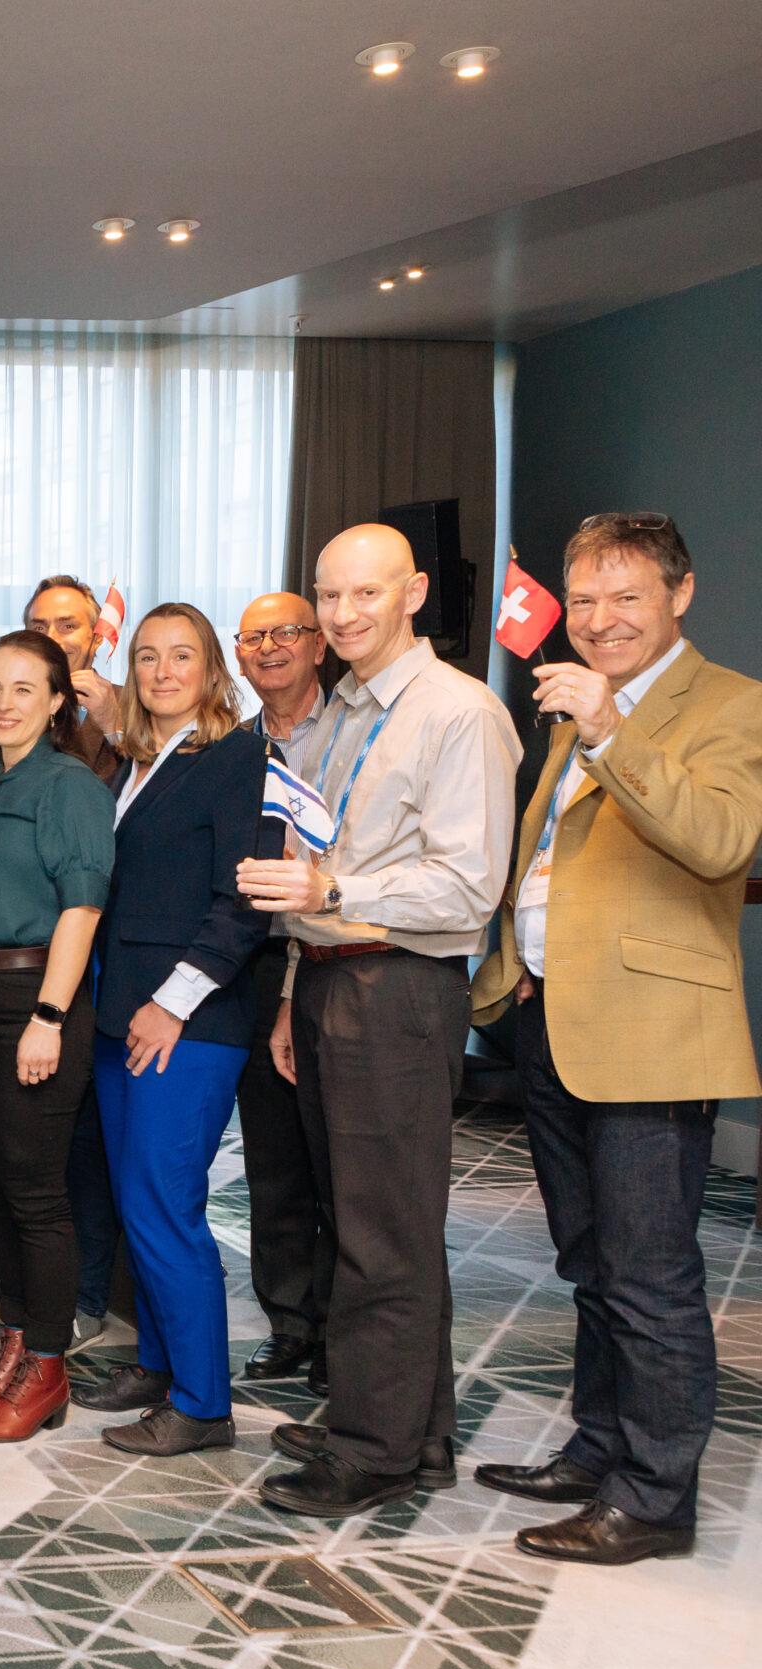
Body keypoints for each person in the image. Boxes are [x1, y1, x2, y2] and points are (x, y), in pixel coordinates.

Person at [468, 513, 762, 1566]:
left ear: (680, 594)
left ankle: (654, 1497)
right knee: (591, 1262)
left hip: (651, 1030)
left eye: (626, 597)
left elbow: (721, 838)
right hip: (554, 1016)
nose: (600, 620)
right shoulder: (577, 711)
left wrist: (608, 730)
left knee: (649, 1275)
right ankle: (600, 1448)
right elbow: (550, 859)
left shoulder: (730, 704)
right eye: (584, 599)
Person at [239, 523, 518, 1518]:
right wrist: (291, 986)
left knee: (380, 1235)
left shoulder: (458, 711)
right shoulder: (345, 713)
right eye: (329, 594)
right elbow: (317, 861)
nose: (344, 613)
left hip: (398, 988)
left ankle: (373, 1451)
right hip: (327, 981)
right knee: (370, 1220)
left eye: (366, 593)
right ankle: (413, 1428)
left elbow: (468, 885)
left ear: (414, 592)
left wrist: (334, 892)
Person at [75, 607, 274, 1456]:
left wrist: (174, 1001)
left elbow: (243, 898)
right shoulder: (134, 763)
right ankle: (159, 1365)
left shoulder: (239, 758)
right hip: (120, 1015)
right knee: (137, 1204)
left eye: (181, 655)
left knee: (166, 1208)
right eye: (148, 655)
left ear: (212, 671)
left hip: (186, 1022)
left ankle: (202, 1403)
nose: (162, 670)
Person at [0, 631, 110, 1440]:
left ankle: (47, 1364)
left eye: (25, 688)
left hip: (30, 1002)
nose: (4, 703)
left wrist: (49, 1015)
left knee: (36, 1196)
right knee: (1, 1192)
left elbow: (82, 908)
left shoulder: (68, 785)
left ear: (58, 700)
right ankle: (16, 1345)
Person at [228, 592, 335, 1387]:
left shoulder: (351, 734)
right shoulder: (234, 751)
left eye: (285, 632)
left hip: (336, 960)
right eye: (252, 637)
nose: (268, 647)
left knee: (342, 1161)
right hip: (255, 962)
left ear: (319, 645)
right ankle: (291, 1322)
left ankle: (344, 1332)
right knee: (272, 1159)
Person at [20, 574, 125, 1357]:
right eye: (38, 624)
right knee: (38, 1138)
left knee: (90, 1139)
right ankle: (38, 1281)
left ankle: (91, 1290)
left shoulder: (127, 712)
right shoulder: (15, 714)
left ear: (95, 635)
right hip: (30, 949)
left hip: (106, 953)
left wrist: (114, 722)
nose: (54, 636)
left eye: (68, 624)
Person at [24, 575, 124, 766]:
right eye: (39, 628)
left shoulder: (131, 703)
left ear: (97, 637)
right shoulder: (14, 704)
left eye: (68, 626)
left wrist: (113, 726)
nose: (51, 639)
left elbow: (156, 772)